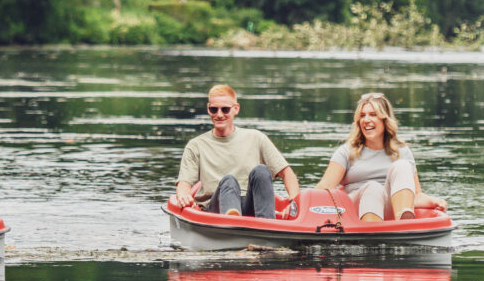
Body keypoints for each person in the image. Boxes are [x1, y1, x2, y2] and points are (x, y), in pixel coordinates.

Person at [174, 83, 300, 218]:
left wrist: (293, 202)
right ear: (208, 109)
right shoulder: (196, 145)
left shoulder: (256, 138)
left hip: (248, 206)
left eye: (225, 109)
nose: (219, 114)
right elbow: (184, 184)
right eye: (214, 109)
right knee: (229, 181)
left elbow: (287, 174)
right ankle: (233, 222)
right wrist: (183, 196)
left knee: (261, 171)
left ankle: (267, 225)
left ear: (236, 109)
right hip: (215, 210)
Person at [315, 91, 442, 222]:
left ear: (384, 119)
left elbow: (416, 195)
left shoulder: (402, 151)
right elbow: (324, 188)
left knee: (402, 165)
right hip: (354, 210)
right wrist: (298, 203)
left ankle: (404, 225)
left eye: (373, 115)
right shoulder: (346, 152)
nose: (366, 120)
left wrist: (432, 201)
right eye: (362, 115)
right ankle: (371, 237)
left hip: (389, 208)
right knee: (373, 188)